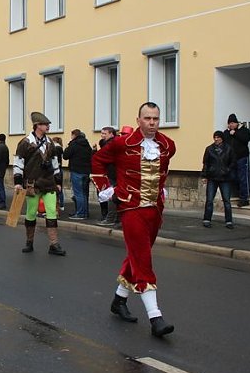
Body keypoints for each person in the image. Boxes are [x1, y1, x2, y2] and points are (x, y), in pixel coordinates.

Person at [91, 102, 176, 337]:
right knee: (144, 260)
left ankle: (119, 300)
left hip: (155, 210)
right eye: (147, 118)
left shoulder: (168, 145)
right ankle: (155, 317)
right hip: (130, 207)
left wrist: (162, 188)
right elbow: (98, 161)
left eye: (155, 119)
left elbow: (164, 169)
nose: (151, 123)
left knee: (137, 256)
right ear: (138, 120)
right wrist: (107, 189)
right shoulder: (121, 143)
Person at [13, 112, 66, 256]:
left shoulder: (51, 144)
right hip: (32, 184)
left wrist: (58, 182)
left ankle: (54, 245)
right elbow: (18, 164)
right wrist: (18, 182)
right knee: (31, 214)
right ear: (37, 126)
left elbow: (56, 164)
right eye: (45, 124)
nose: (48, 126)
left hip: (49, 183)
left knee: (52, 213)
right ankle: (29, 242)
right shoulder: (25, 143)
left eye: (48, 124)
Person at [201, 130, 236, 228]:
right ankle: (207, 219)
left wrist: (227, 170)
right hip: (212, 177)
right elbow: (205, 163)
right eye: (215, 137)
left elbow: (233, 162)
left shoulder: (229, 149)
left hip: (225, 178)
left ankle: (229, 221)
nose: (216, 139)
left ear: (222, 138)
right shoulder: (209, 149)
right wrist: (204, 175)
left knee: (226, 200)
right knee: (209, 200)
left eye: (218, 137)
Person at [63, 129, 92, 220]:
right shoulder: (87, 145)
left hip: (76, 171)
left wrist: (69, 145)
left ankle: (80, 213)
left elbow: (65, 155)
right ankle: (85, 212)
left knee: (78, 193)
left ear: (74, 135)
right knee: (84, 193)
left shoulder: (74, 144)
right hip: (86, 172)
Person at [223, 114, 250, 207]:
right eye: (229, 123)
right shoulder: (226, 133)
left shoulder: (244, 130)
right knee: (233, 177)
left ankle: (244, 198)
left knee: (243, 178)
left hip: (242, 157)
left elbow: (246, 139)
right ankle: (241, 193)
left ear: (236, 123)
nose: (231, 125)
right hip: (231, 159)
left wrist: (235, 134)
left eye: (232, 123)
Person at [96, 127, 119, 227]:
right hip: (113, 173)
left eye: (104, 134)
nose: (102, 135)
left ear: (111, 134)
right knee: (115, 196)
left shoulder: (110, 145)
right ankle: (116, 219)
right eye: (102, 133)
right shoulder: (110, 143)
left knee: (111, 197)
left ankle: (110, 218)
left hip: (112, 174)